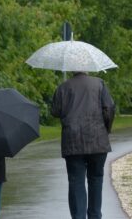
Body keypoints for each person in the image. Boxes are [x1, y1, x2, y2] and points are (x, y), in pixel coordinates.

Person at [51, 71, 115, 219]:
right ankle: (95, 216)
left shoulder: (63, 87)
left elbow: (55, 111)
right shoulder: (99, 84)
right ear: (87, 68)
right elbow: (109, 108)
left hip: (73, 141)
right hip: (98, 139)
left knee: (76, 180)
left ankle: (78, 216)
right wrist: (106, 129)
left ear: (73, 69)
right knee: (96, 178)